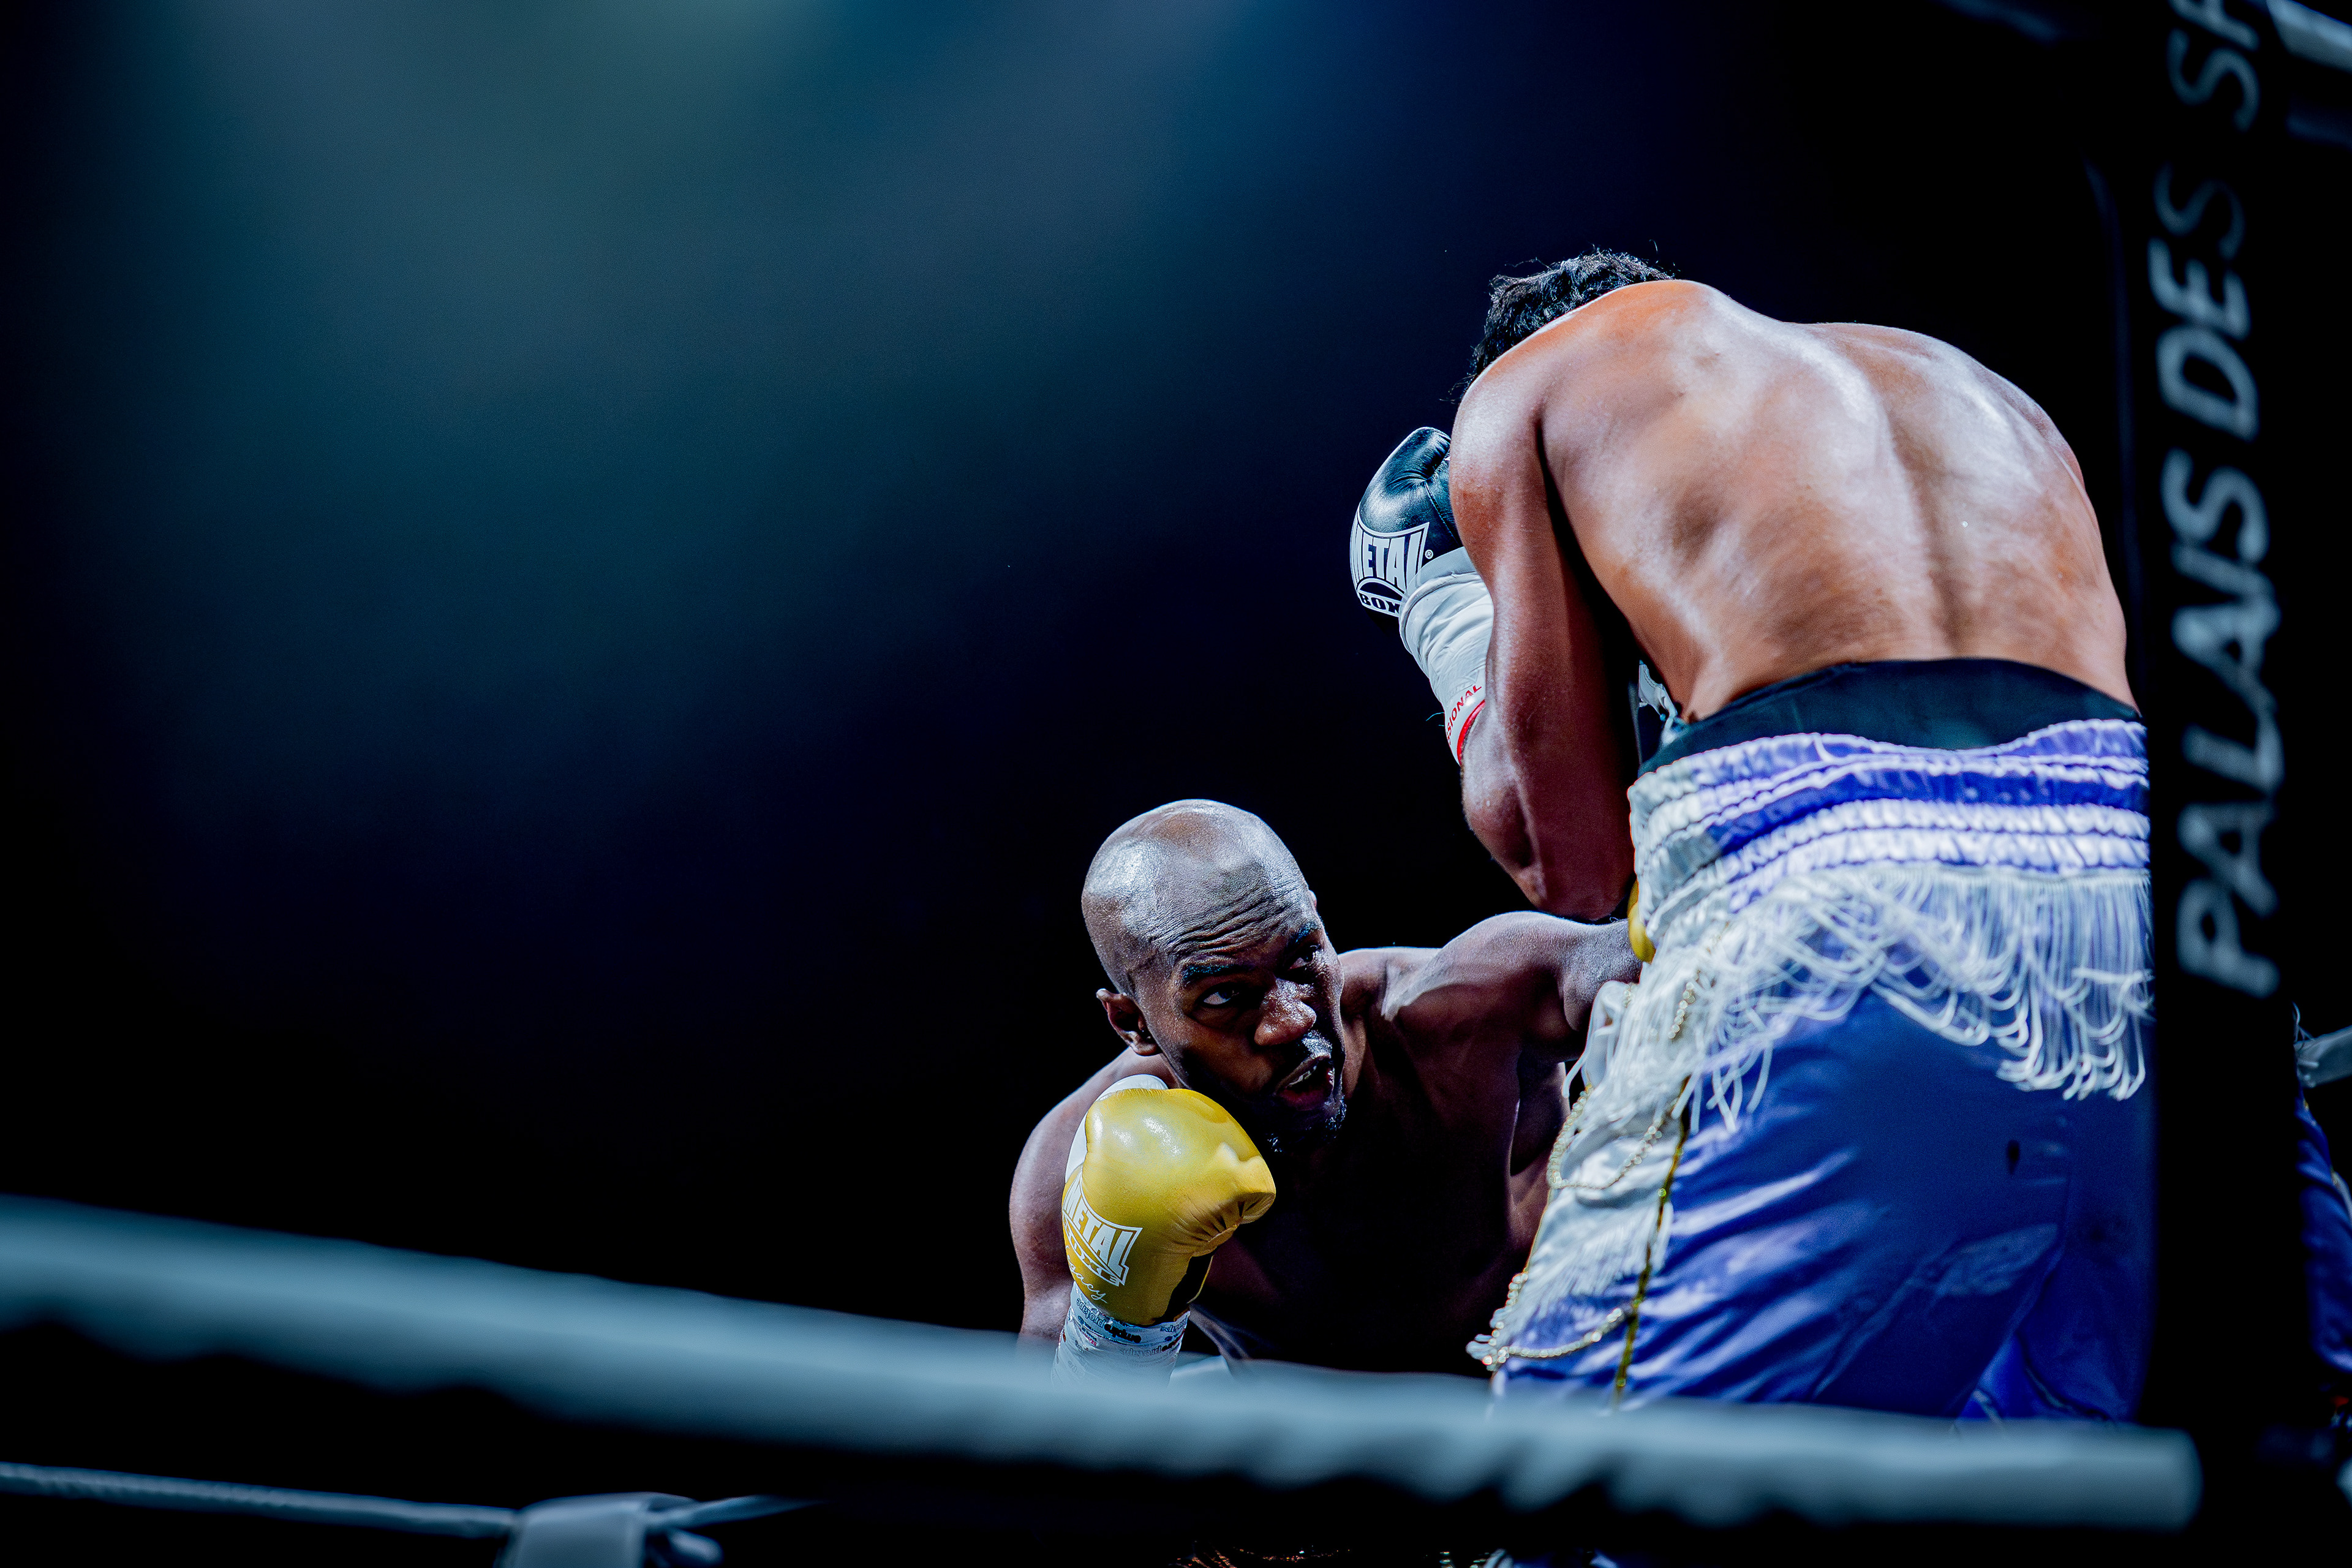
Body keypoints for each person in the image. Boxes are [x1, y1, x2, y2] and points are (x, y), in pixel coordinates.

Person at [1350, 251, 2163, 1417]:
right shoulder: (1962, 385)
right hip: (2154, 910)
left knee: (1588, 1475)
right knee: (2182, 1465)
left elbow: (1561, 856)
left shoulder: (1529, 388)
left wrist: (1446, 606)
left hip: (1845, 909)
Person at [1009, 799, 1638, 1379]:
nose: (1293, 1018)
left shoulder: (1457, 1014)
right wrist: (1114, 1326)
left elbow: (1640, 955)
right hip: (1312, 1471)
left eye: (1303, 958)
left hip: (1553, 1389)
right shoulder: (1074, 1171)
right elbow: (1046, 1451)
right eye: (1225, 996)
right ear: (1133, 1022)